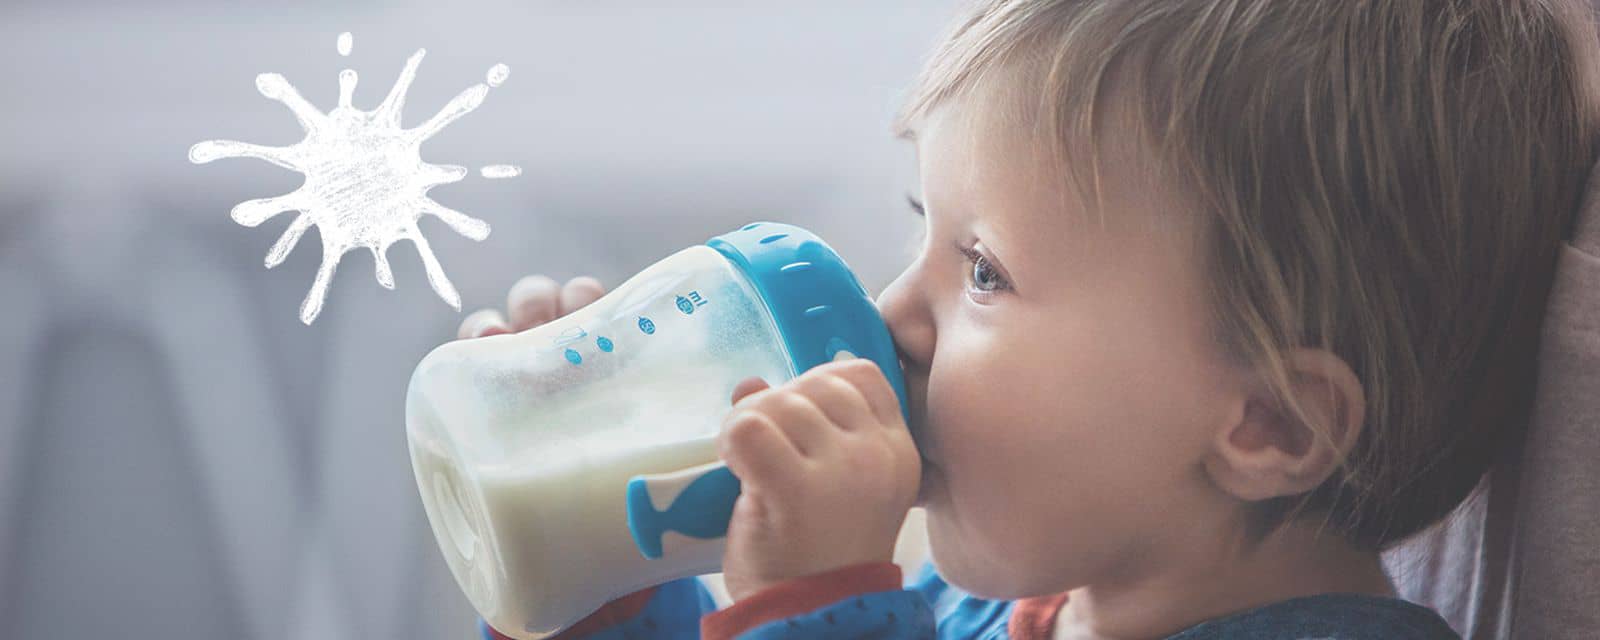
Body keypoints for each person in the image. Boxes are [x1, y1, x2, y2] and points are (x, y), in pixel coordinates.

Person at [455, 0, 1600, 637]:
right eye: (922, 231)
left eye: (985, 271)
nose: (895, 313)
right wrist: (599, 578)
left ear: (1266, 424)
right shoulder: (988, 608)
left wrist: (814, 607)